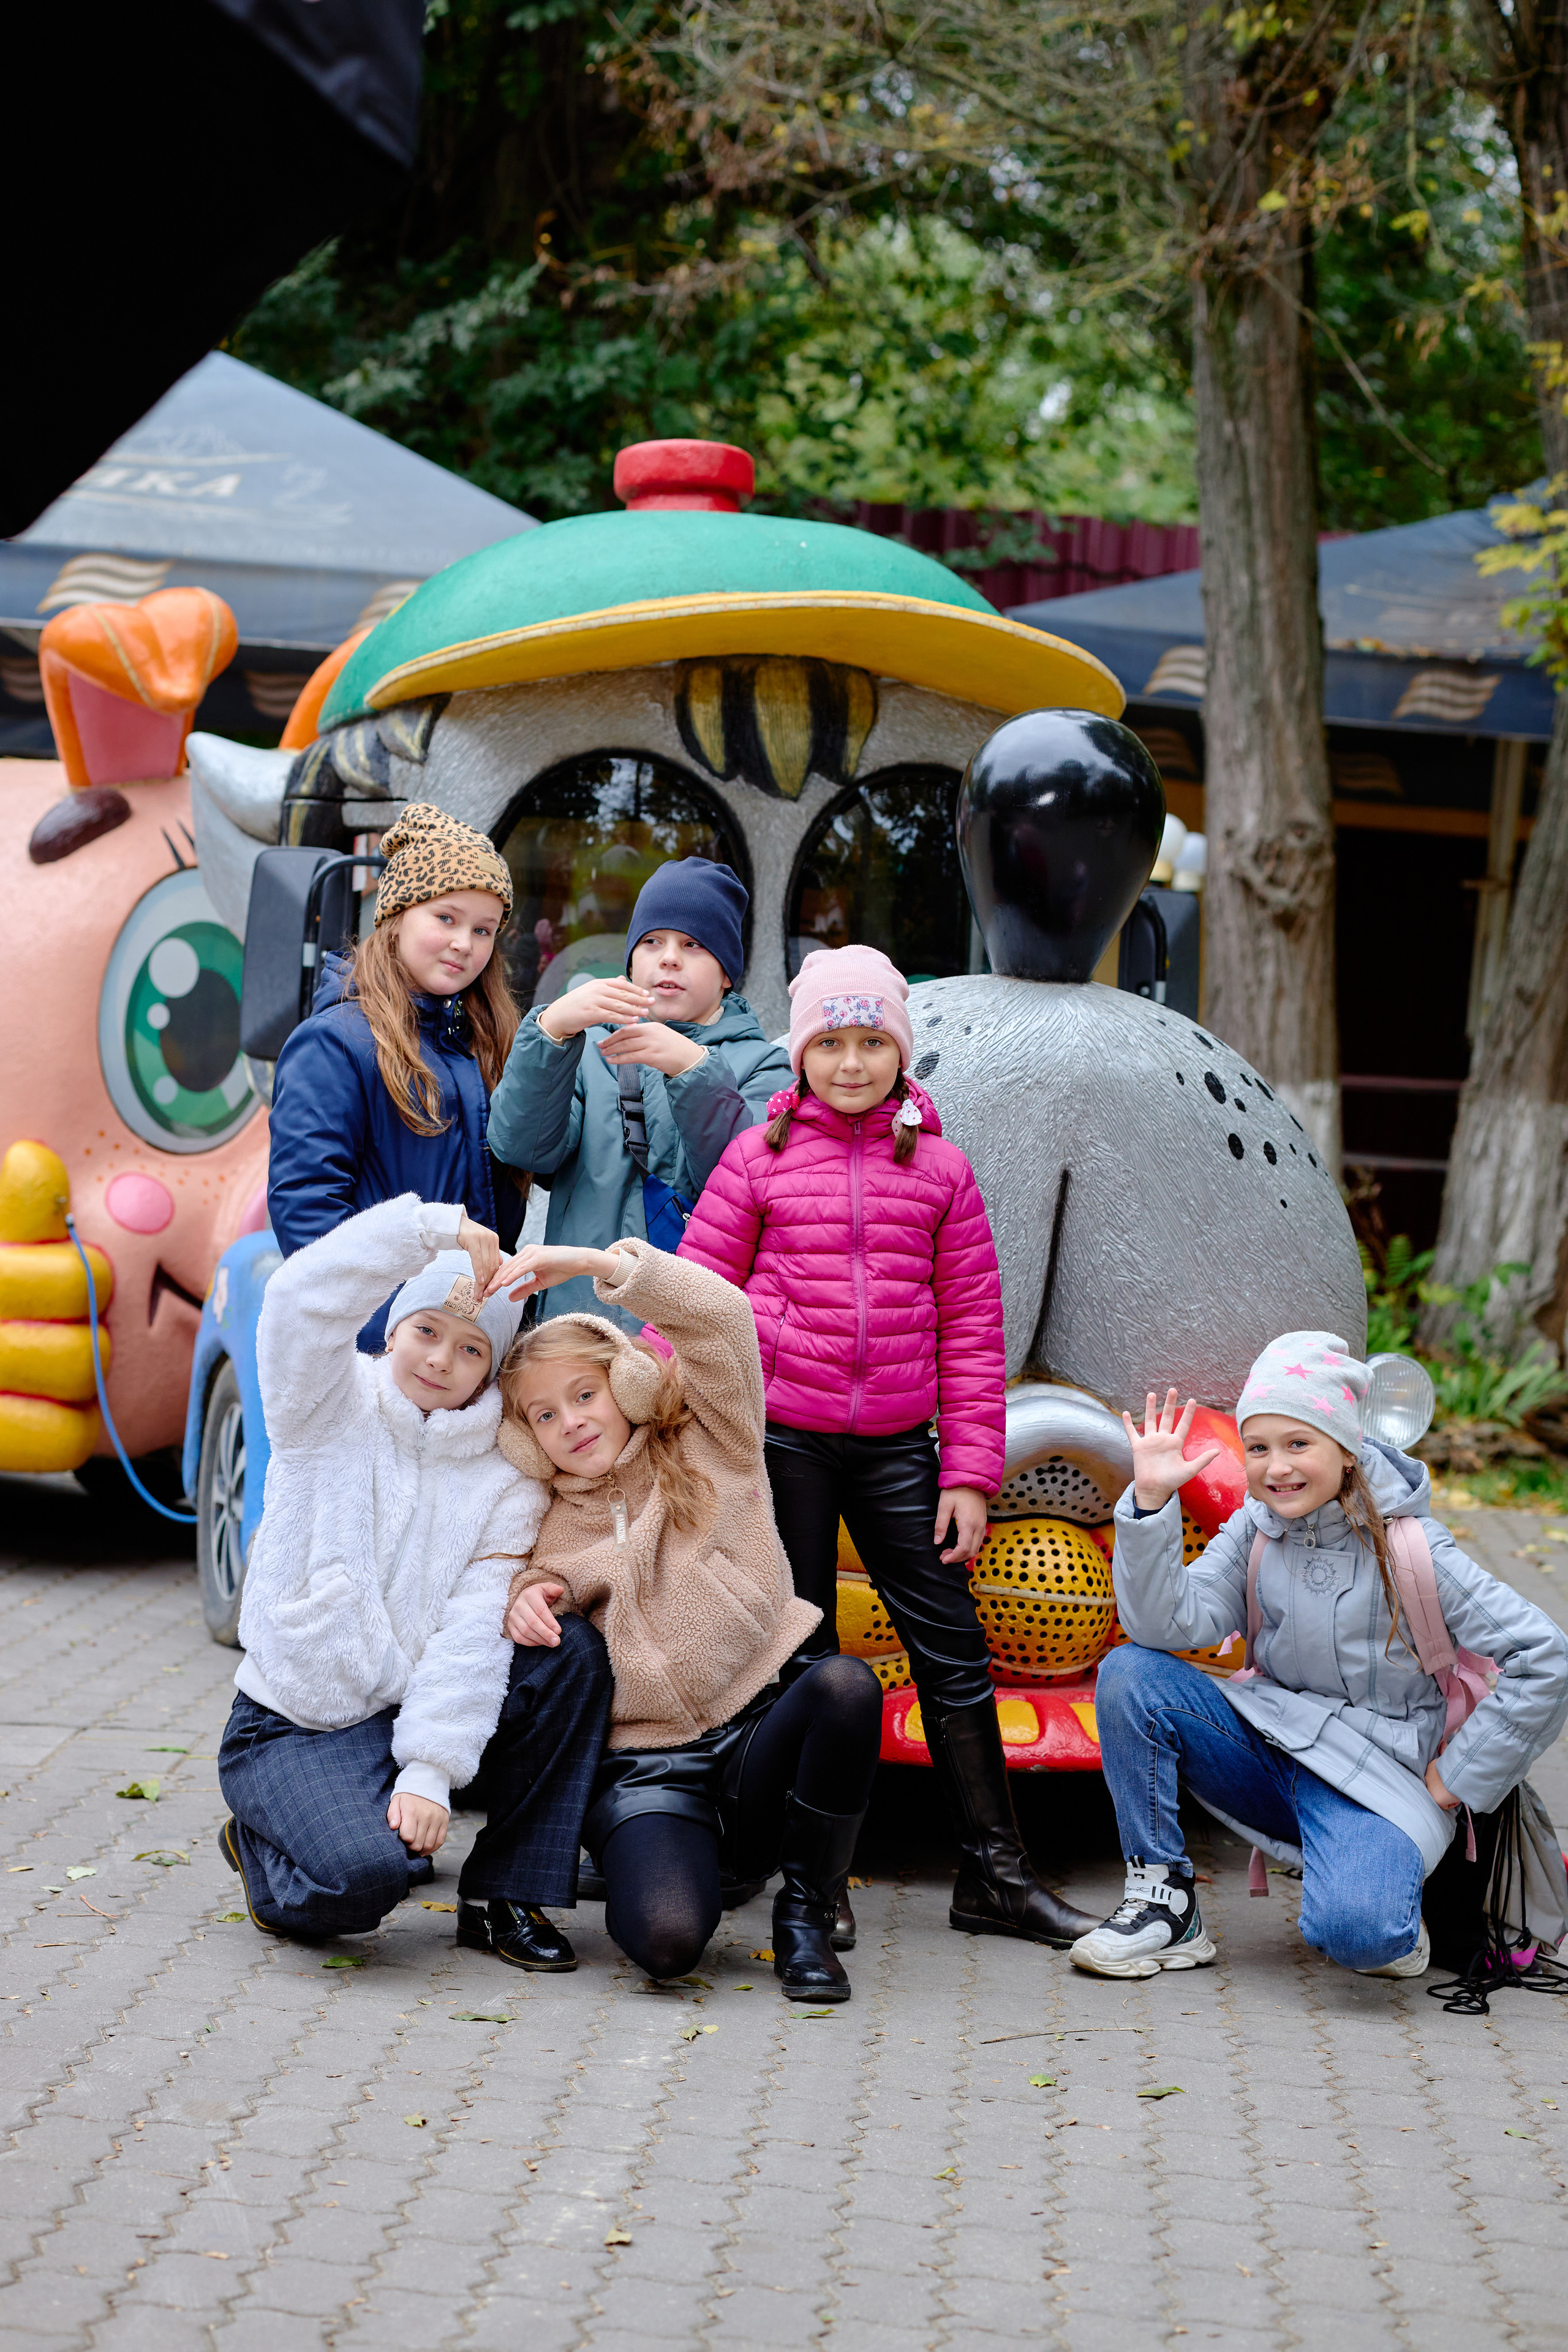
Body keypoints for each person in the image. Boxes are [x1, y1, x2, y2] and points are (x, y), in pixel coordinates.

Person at [676, 944, 1098, 1952]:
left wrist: (969, 1471)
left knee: (952, 1649)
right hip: (787, 1443)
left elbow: (975, 1327)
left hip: (901, 1448)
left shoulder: (941, 1172)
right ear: (804, 1050)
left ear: (901, 1055)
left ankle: (995, 1875)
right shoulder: (759, 1158)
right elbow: (691, 1298)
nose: (853, 1062)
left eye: (873, 1042)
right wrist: (668, 1414)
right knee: (802, 1655)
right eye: (833, 1041)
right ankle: (813, 1879)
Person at [1072, 1335, 1568, 1981]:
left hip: (1378, 1784)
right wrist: (1150, 1505)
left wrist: (1456, 1783)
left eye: (1297, 1444)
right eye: (1258, 1448)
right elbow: (1166, 1624)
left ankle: (1374, 1888)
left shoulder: (1415, 1550)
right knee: (1131, 1672)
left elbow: (1544, 1656)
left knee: (1362, 1937)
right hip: (1270, 1751)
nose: (1275, 1467)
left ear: (1346, 1447)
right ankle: (1164, 1904)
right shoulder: (1256, 1529)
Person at [217, 1194, 612, 1969]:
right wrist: (425, 1232)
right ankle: (260, 1837)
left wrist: (431, 1771)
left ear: (492, 1372)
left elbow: (472, 1634)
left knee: (567, 1654)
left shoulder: (505, 1479)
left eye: (471, 1350)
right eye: (426, 1331)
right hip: (298, 1719)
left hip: (406, 1712)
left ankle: (504, 1896)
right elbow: (302, 1295)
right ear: (392, 1329)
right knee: (364, 1882)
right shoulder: (323, 1405)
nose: (440, 1359)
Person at [491, 1236, 884, 2002]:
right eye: (543, 1415)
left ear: (628, 1386)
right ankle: (672, 1864)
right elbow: (528, 1586)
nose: (569, 1422)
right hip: (646, 1772)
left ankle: (804, 1914)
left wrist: (600, 1267)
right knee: (667, 1946)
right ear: (526, 1442)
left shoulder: (715, 1442)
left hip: (754, 1739)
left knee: (845, 1686)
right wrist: (526, 1599)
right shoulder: (547, 1524)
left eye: (584, 1394)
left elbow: (724, 1318)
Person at [484, 856, 791, 1331]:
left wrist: (692, 1069)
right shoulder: (590, 1051)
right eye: (652, 942)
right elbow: (522, 1148)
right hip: (577, 1327)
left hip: (688, 1341)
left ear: (728, 973)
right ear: (631, 961)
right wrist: (550, 1033)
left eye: (694, 944)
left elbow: (752, 1187)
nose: (669, 957)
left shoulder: (765, 1066)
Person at [266, 802, 525, 1350]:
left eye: (484, 929)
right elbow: (309, 1214)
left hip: (464, 1350)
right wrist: (396, 1333)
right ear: (396, 915)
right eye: (446, 918)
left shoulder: (485, 1042)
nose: (465, 943)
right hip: (380, 1354)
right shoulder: (335, 1042)